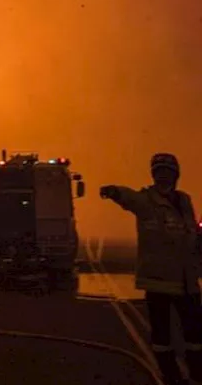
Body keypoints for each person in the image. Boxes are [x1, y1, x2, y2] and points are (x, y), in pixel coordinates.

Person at [100, 152, 203, 385]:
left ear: (176, 176)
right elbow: (130, 198)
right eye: (159, 173)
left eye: (168, 172)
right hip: (159, 281)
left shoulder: (185, 201)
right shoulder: (146, 201)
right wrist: (114, 191)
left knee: (196, 335)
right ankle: (172, 377)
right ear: (154, 175)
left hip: (187, 281)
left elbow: (192, 235)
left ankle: (197, 374)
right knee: (162, 337)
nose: (163, 177)